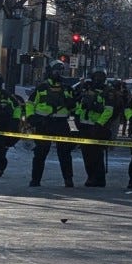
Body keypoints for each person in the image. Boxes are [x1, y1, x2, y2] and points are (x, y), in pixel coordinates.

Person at [26, 60, 77, 188]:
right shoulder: (41, 88)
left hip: (62, 124)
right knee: (40, 153)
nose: (58, 73)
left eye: (60, 71)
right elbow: (30, 104)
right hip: (44, 123)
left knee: (64, 153)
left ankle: (68, 180)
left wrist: (74, 129)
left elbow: (74, 112)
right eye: (55, 71)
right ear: (49, 72)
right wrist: (31, 117)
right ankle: (35, 180)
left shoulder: (67, 89)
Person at [73, 69, 115, 187]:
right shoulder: (87, 90)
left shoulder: (108, 92)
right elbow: (80, 105)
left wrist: (99, 124)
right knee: (86, 154)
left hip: (97, 127)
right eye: (96, 77)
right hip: (84, 126)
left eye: (100, 77)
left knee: (96, 154)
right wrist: (77, 116)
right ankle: (90, 177)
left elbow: (109, 111)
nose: (97, 79)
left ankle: (99, 178)